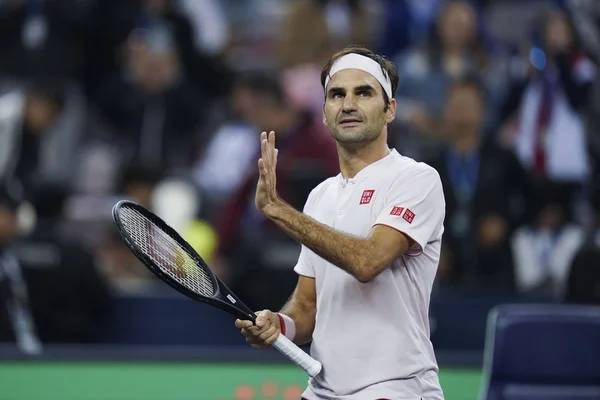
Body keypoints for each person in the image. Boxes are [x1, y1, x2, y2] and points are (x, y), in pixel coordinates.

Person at [235, 46, 446, 399]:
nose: (348, 104)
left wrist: (278, 209)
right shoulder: (320, 196)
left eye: (363, 92)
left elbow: (368, 261)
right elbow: (308, 307)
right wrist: (280, 324)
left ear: (390, 109)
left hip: (396, 388)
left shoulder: (416, 179)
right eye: (337, 94)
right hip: (322, 391)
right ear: (324, 114)